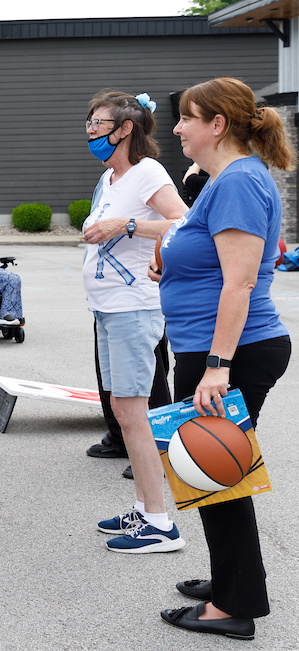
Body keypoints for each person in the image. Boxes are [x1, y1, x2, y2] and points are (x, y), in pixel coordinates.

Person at [157, 77, 293, 639]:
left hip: (229, 352)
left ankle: (234, 608)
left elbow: (238, 284)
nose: (178, 129)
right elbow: (212, 259)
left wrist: (217, 364)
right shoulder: (225, 180)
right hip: (215, 347)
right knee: (212, 475)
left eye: (187, 118)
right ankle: (231, 581)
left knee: (217, 475)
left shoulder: (237, 182)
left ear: (217, 125)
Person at [82, 90, 188, 553]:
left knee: (133, 412)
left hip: (134, 308)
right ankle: (146, 509)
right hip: (107, 309)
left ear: (126, 129)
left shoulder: (148, 172)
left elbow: (185, 222)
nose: (90, 130)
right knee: (125, 412)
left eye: (99, 122)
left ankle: (160, 524)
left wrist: (125, 225)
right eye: (88, 122)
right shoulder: (108, 178)